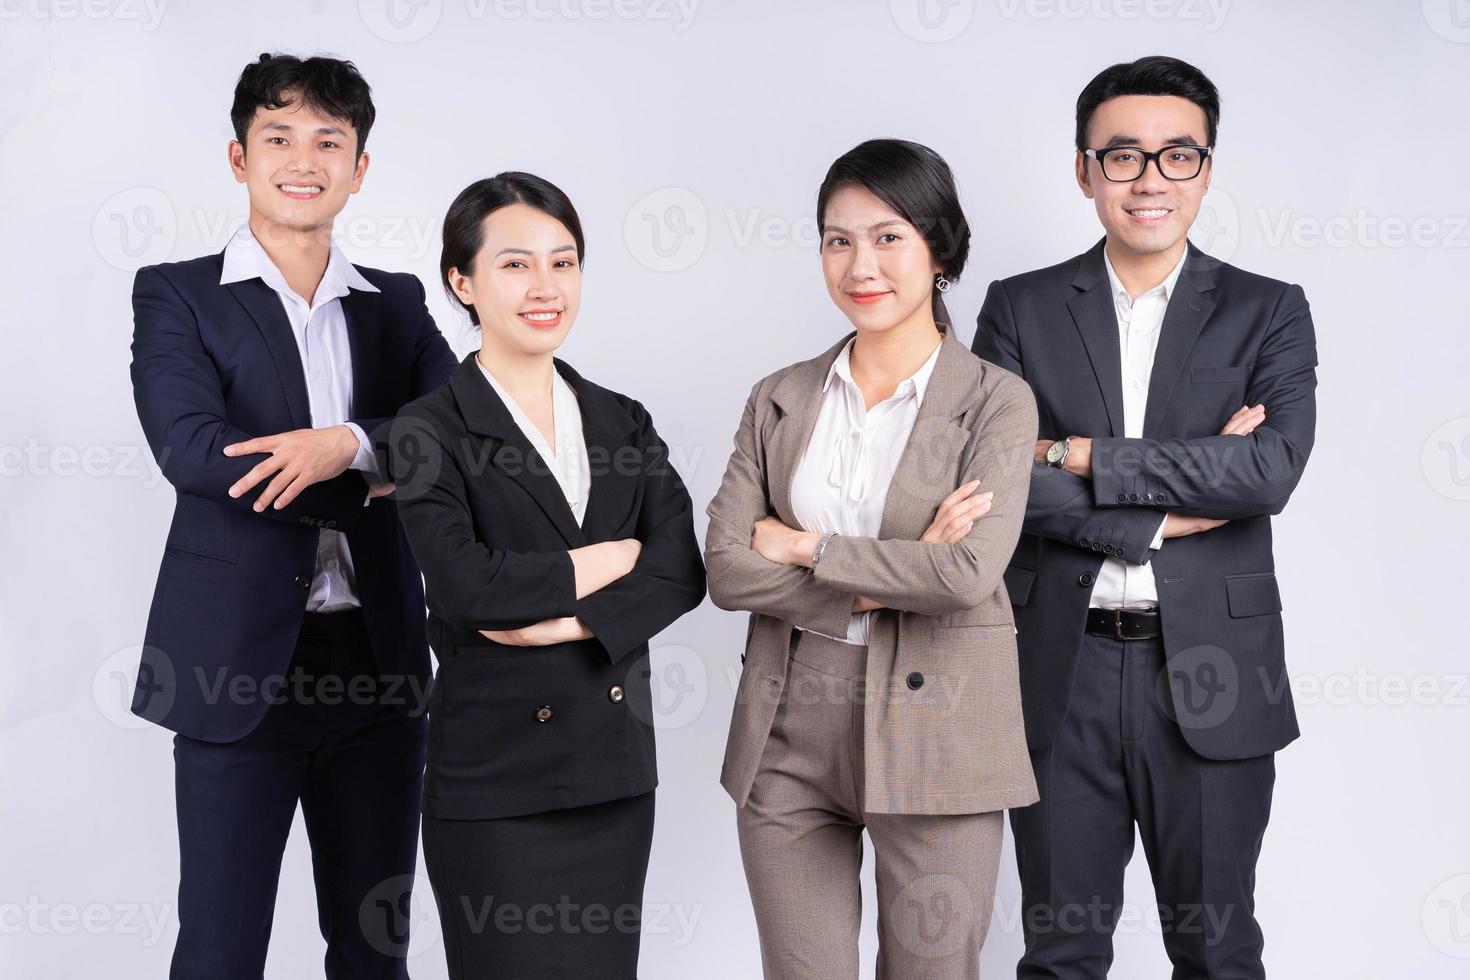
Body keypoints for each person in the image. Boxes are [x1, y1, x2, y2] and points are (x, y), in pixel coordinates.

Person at [971, 55, 1318, 978]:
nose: (1150, 179)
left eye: (1178, 155)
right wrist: (1165, 511)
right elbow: (997, 486)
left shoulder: (1267, 312)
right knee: (1061, 952)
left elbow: (1268, 471)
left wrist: (1080, 453)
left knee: (1216, 949)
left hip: (1214, 670)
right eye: (1122, 157)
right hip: (1059, 664)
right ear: (1084, 170)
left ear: (1207, 167)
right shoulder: (1020, 308)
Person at [128, 53, 458, 978]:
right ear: (240, 159)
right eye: (278, 137)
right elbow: (195, 453)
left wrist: (343, 443)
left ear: (360, 168)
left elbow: (464, 434)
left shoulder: (396, 302)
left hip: (379, 665)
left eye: (329, 140)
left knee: (372, 948)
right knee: (223, 949)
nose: (302, 158)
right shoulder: (179, 292)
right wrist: (384, 462)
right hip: (237, 668)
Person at [705, 138, 1039, 979]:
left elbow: (965, 576)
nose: (861, 263)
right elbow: (725, 567)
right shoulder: (779, 396)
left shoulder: (998, 401)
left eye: (888, 236)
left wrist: (809, 546)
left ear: (939, 248)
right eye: (837, 238)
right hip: (789, 724)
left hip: (943, 726)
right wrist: (880, 578)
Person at [383, 171, 707, 979]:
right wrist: (603, 560)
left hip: (611, 773)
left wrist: (572, 621)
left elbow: (679, 568)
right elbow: (466, 586)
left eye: (564, 263)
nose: (545, 287)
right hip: (495, 785)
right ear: (462, 281)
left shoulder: (619, 417)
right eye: (516, 264)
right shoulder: (430, 426)